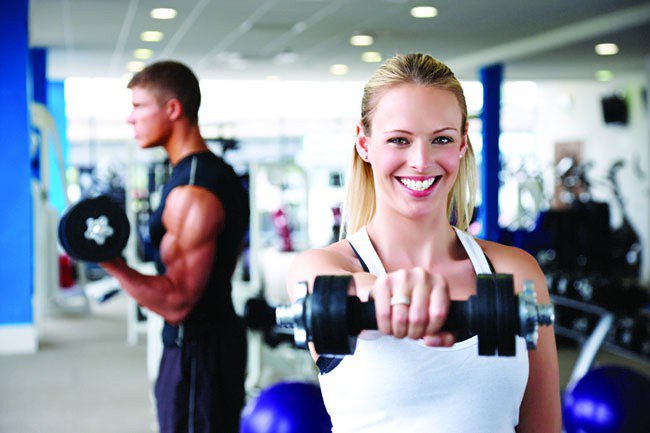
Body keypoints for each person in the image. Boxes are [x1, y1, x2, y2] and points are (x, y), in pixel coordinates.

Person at [286, 53, 560, 432]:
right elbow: (342, 293)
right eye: (399, 139)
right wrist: (394, 292)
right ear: (364, 144)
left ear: (462, 144)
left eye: (441, 139)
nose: (420, 160)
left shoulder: (514, 271)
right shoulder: (322, 268)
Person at [100, 61, 249, 433]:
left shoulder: (193, 192)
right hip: (202, 346)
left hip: (198, 352)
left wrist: (110, 262)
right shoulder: (200, 174)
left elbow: (178, 301)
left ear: (172, 109)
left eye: (138, 107)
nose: (130, 120)